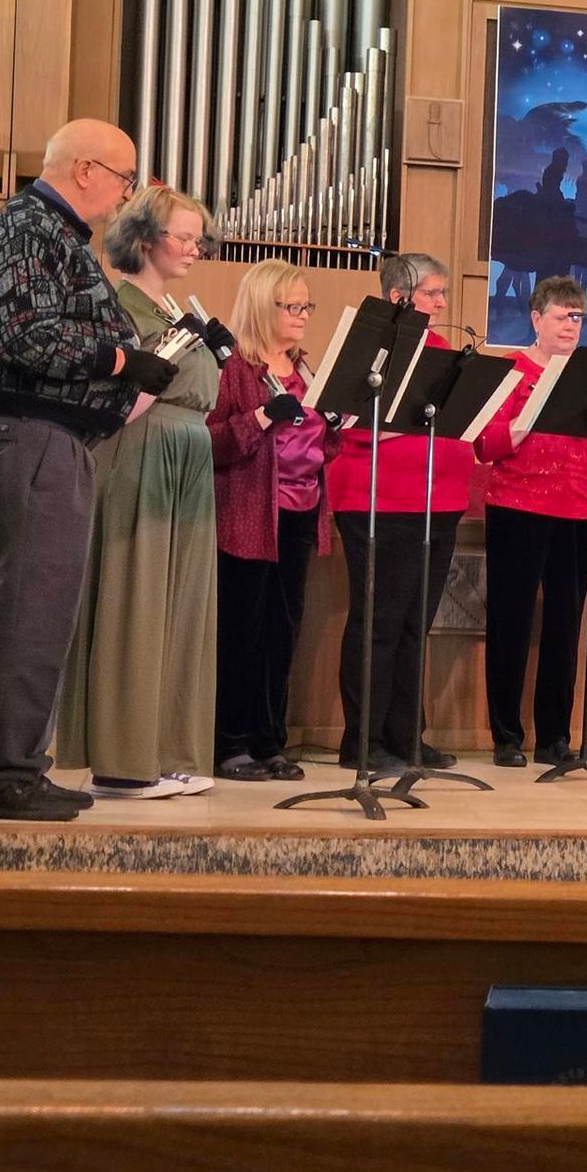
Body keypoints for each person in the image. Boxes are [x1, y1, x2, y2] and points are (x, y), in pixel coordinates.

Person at [0, 119, 176, 820]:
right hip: (29, 433)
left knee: (42, 610)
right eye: (123, 178)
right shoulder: (29, 227)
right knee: (26, 606)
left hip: (53, 437)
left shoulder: (52, 234)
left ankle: (18, 763)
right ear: (86, 170)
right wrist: (120, 361)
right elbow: (26, 332)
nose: (125, 195)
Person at [56, 184, 223, 799]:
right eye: (183, 236)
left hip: (186, 457)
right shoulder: (119, 305)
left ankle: (165, 749)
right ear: (146, 238)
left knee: (179, 605)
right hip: (143, 452)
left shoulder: (176, 308)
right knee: (137, 595)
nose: (193, 248)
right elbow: (113, 398)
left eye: (197, 238)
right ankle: (122, 761)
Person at [325, 251, 472, 771]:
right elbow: (342, 420)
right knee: (379, 622)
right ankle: (362, 742)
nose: (441, 302)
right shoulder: (372, 347)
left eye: (443, 293)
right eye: (432, 292)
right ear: (398, 297)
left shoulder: (441, 351)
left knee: (415, 625)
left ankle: (406, 735)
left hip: (439, 502)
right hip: (381, 499)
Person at [474, 275, 587, 768]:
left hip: (577, 507)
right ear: (537, 319)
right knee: (511, 622)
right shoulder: (511, 371)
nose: (571, 326)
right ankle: (507, 735)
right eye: (562, 316)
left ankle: (555, 736)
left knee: (564, 625)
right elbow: (483, 444)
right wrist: (522, 423)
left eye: (578, 318)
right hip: (517, 505)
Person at [208, 258, 340, 780]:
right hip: (249, 515)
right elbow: (212, 441)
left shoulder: (305, 368)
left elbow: (318, 447)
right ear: (265, 307)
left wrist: (333, 425)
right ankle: (230, 744)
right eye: (294, 306)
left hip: (300, 513)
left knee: (283, 633)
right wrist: (263, 415)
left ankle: (270, 742)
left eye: (307, 305)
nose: (304, 314)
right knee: (242, 632)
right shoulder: (235, 368)